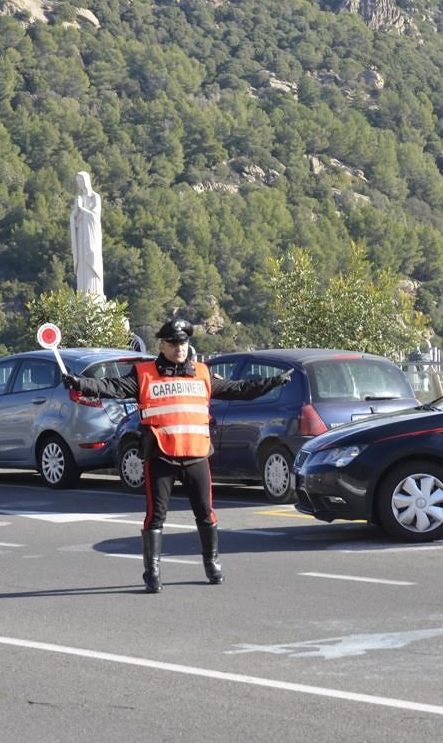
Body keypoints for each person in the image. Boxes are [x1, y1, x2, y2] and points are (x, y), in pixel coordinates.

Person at [62, 319, 292, 593]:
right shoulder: (144, 373)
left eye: (183, 343)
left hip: (196, 455)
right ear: (162, 345)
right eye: (173, 343)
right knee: (155, 516)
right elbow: (112, 387)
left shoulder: (203, 373)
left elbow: (240, 390)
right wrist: (80, 383)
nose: (179, 348)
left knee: (205, 514)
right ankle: (153, 572)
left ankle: (212, 563)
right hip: (161, 456)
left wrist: (273, 383)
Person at [69, 171, 104, 298]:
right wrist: (75, 211)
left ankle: (94, 293)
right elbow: (73, 217)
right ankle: (82, 293)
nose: (80, 184)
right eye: (78, 182)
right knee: (82, 260)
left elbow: (95, 216)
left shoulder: (95, 197)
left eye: (82, 181)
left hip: (91, 235)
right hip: (81, 235)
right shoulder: (79, 198)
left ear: (87, 181)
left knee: (92, 259)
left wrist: (81, 209)